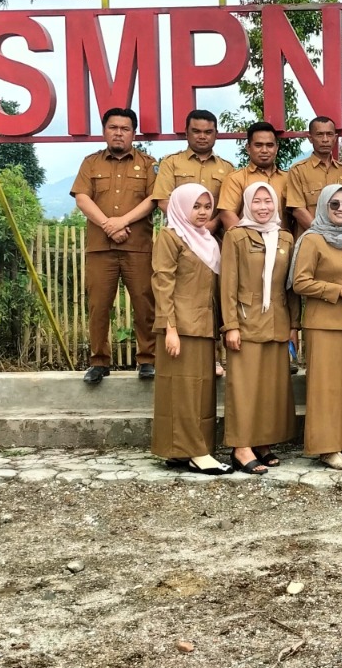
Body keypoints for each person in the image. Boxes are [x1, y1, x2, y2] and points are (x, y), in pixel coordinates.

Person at [70, 106, 157, 385]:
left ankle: (147, 359)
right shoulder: (90, 163)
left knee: (145, 303)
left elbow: (153, 199)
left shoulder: (147, 163)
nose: (119, 133)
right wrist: (108, 224)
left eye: (125, 128)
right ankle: (99, 361)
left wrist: (121, 222)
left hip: (138, 247)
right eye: (113, 128)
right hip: (100, 248)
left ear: (133, 133)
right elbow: (82, 198)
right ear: (104, 130)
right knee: (98, 304)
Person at [290, 185, 342, 470]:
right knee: (325, 388)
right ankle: (327, 447)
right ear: (323, 207)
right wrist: (336, 290)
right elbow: (300, 282)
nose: (340, 210)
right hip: (322, 323)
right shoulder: (312, 240)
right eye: (334, 204)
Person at [220, 181, 298, 475]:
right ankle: (241, 447)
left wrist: (294, 325)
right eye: (257, 201)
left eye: (268, 201)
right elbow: (227, 284)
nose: (263, 207)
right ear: (247, 204)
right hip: (246, 321)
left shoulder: (286, 238)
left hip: (277, 324)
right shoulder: (236, 236)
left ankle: (263, 443)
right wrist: (230, 325)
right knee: (244, 388)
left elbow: (290, 289)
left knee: (270, 388)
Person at [150, 184, 226, 474]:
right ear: (181, 207)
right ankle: (195, 451)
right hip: (180, 327)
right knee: (182, 390)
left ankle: (182, 451)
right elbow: (162, 282)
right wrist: (170, 328)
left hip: (204, 326)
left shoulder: (207, 239)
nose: (202, 212)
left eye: (207, 206)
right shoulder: (171, 237)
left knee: (201, 391)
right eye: (196, 206)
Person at [153, 109, 235, 217]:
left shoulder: (227, 168)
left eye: (208, 132)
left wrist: (212, 225)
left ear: (216, 134)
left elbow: (230, 206)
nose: (202, 136)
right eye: (196, 131)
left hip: (215, 232)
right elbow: (163, 201)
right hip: (180, 232)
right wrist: (190, 226)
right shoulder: (170, 163)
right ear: (187, 132)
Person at [218, 121, 290, 230]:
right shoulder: (235, 179)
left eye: (269, 145)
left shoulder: (288, 178)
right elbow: (227, 214)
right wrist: (248, 241)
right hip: (249, 244)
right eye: (258, 145)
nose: (264, 150)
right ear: (248, 148)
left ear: (276, 148)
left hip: (283, 243)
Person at [285, 116, 342, 233]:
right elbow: (298, 210)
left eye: (329, 134)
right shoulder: (298, 171)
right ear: (310, 138)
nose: (325, 139)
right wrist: (322, 235)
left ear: (335, 138)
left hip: (341, 239)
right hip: (310, 240)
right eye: (319, 134)